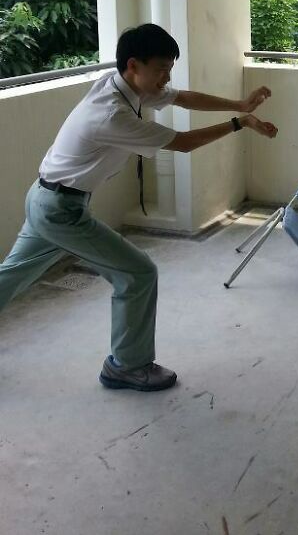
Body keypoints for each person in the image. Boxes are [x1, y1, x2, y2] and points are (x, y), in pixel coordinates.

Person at [0, 24, 277, 392]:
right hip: (60, 210)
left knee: (11, 277)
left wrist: (239, 104)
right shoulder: (113, 114)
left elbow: (182, 98)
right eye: (162, 68)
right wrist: (239, 122)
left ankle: (126, 363)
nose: (167, 77)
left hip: (46, 198)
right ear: (134, 65)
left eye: (169, 68)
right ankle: (126, 366)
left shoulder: (118, 84)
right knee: (137, 273)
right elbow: (183, 143)